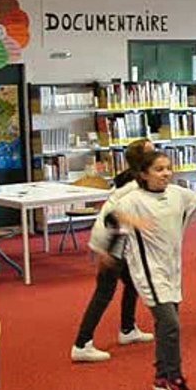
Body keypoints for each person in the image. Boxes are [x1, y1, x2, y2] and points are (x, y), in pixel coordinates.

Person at [106, 151, 196, 390]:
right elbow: (110, 218)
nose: (166, 173)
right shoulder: (132, 199)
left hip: (172, 269)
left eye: (168, 168)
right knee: (171, 324)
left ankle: (160, 375)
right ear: (144, 174)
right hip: (148, 272)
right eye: (158, 169)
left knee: (166, 323)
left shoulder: (178, 194)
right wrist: (123, 233)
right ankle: (175, 379)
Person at [71, 138, 156, 363]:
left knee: (134, 283)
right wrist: (110, 251)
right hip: (111, 238)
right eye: (151, 151)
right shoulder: (135, 186)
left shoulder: (131, 178)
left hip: (114, 238)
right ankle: (82, 343)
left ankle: (128, 329)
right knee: (104, 292)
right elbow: (116, 218)